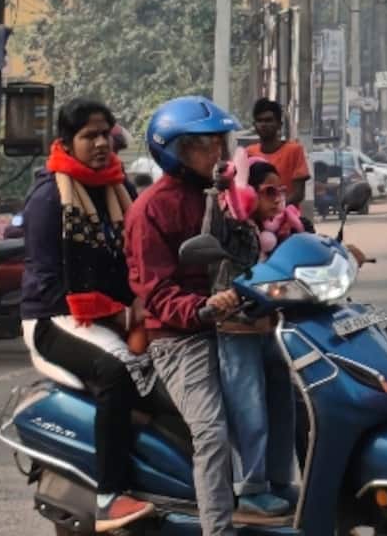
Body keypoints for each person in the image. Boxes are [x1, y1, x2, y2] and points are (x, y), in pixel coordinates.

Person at [128, 95, 285, 534]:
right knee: (212, 433)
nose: (216, 152)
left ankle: (280, 492)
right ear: (174, 150)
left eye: (220, 142)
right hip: (181, 337)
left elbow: (255, 247)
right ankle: (218, 528)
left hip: (235, 325)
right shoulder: (150, 209)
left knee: (293, 389)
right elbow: (155, 290)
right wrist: (200, 308)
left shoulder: (227, 196)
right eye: (203, 144)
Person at [19, 98, 155, 533]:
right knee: (117, 371)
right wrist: (118, 314)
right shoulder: (49, 198)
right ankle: (109, 496)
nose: (99, 144)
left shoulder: (120, 186)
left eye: (104, 135)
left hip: (114, 315)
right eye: (88, 136)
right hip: (56, 318)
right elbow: (51, 285)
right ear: (66, 141)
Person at [213, 161, 302, 519]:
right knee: (249, 409)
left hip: (272, 327)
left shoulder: (280, 229)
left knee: (283, 404)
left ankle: (279, 481)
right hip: (236, 331)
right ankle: (251, 488)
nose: (277, 199)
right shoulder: (233, 226)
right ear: (249, 193)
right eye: (268, 191)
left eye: (280, 191)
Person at [236, 99, 310, 209]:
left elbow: (298, 194)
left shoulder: (294, 150)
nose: (263, 124)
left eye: (268, 120)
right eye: (259, 120)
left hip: (288, 216)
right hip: (257, 216)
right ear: (254, 125)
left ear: (279, 124)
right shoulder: (248, 153)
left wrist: (276, 208)